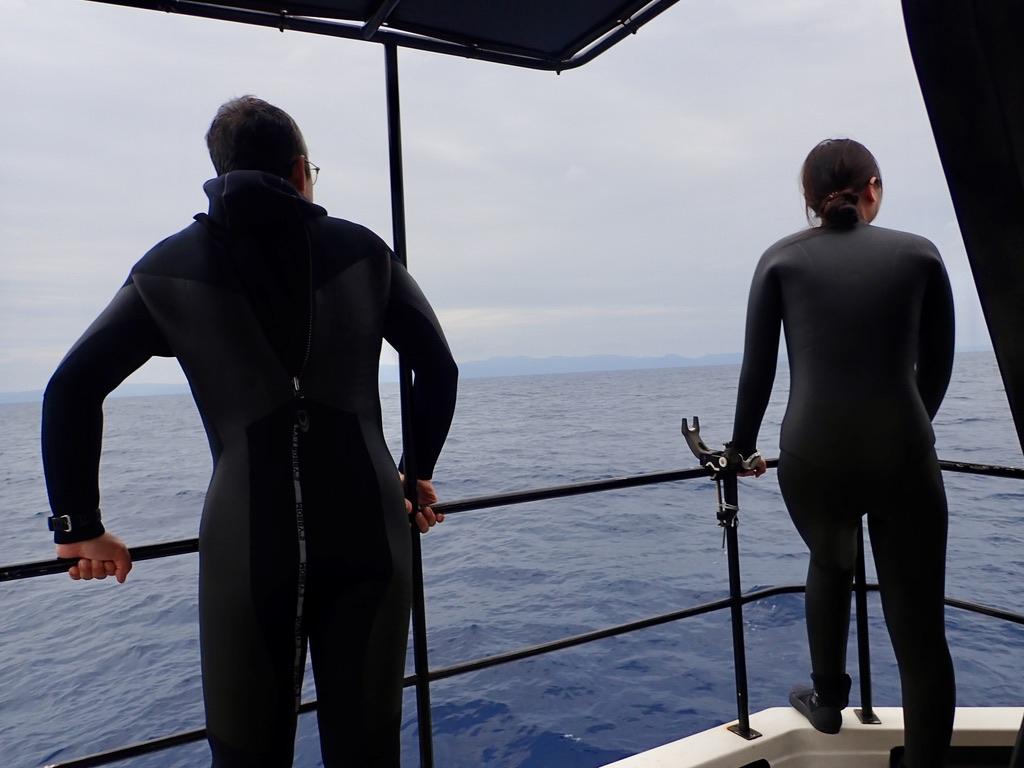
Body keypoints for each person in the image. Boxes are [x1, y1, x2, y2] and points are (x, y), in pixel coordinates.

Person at [40, 96, 458, 767]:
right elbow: (437, 366)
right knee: (368, 751)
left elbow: (71, 387)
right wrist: (415, 473)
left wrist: (78, 525)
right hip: (372, 533)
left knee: (246, 757)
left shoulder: (168, 268)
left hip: (246, 545)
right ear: (299, 171)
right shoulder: (363, 252)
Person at [730, 138, 955, 767]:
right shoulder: (920, 254)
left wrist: (741, 449)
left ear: (809, 201)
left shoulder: (780, 259)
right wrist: (904, 430)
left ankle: (827, 699)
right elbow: (937, 366)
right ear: (873, 188)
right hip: (904, 451)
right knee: (921, 638)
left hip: (812, 455)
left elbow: (757, 372)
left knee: (830, 561)